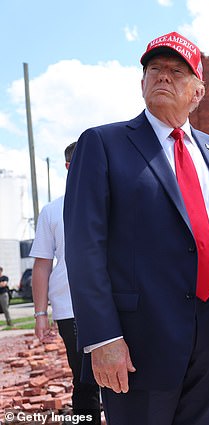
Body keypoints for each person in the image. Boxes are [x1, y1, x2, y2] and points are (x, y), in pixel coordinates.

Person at [64, 31, 209, 425]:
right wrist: (103, 338)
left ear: (197, 91)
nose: (163, 76)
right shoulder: (103, 144)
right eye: (154, 69)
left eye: (177, 71)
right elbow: (84, 248)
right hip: (139, 335)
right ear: (142, 82)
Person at [30, 142, 101, 423]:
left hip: (118, 303)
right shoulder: (52, 211)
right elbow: (42, 264)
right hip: (71, 308)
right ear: (70, 167)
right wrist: (39, 314)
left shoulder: (113, 202)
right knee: (85, 381)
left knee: (126, 375)